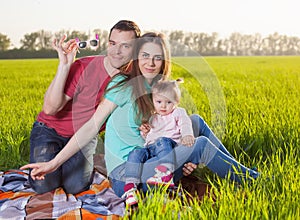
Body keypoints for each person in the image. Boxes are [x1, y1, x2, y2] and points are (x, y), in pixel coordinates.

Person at [21, 32, 259, 204]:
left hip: (155, 160)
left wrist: (185, 159)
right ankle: (253, 181)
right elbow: (91, 127)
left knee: (195, 121)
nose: (150, 62)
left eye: (157, 57)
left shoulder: (159, 88)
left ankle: (239, 170)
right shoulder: (122, 86)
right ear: (137, 57)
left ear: (164, 60)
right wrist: (54, 163)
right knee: (201, 145)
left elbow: (169, 131)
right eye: (145, 55)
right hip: (129, 174)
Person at [27, 20, 141, 194]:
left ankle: (68, 163)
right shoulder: (85, 67)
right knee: (44, 186)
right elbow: (50, 109)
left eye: (125, 46)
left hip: (84, 137)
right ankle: (58, 161)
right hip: (50, 131)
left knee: (76, 187)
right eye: (113, 43)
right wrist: (64, 66)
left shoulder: (132, 79)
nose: (116, 51)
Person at [123, 79, 195, 206]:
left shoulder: (178, 112)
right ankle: (131, 186)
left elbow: (185, 123)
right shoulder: (153, 117)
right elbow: (150, 136)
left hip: (168, 145)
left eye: (168, 102)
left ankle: (166, 173)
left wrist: (187, 135)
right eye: (159, 102)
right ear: (153, 101)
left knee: (161, 141)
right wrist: (145, 133)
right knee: (135, 153)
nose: (163, 106)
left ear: (176, 102)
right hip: (151, 148)